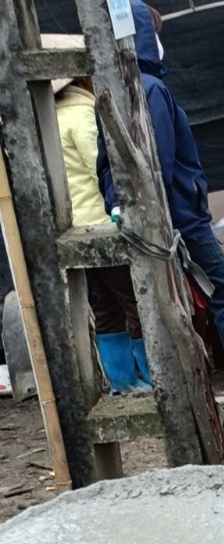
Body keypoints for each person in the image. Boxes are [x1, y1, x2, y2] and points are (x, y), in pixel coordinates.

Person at [100, 1, 224, 417]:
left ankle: (193, 390)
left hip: (149, 221)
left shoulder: (112, 90)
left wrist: (118, 205)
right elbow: (159, 162)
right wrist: (168, 212)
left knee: (171, 303)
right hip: (179, 220)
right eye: (154, 32)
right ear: (143, 36)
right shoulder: (152, 89)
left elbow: (105, 163)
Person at [56, 75, 148, 393]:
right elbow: (101, 168)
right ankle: (155, 376)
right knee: (136, 302)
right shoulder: (83, 114)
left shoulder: (47, 119)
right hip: (104, 223)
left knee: (104, 306)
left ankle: (122, 382)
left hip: (75, 230)